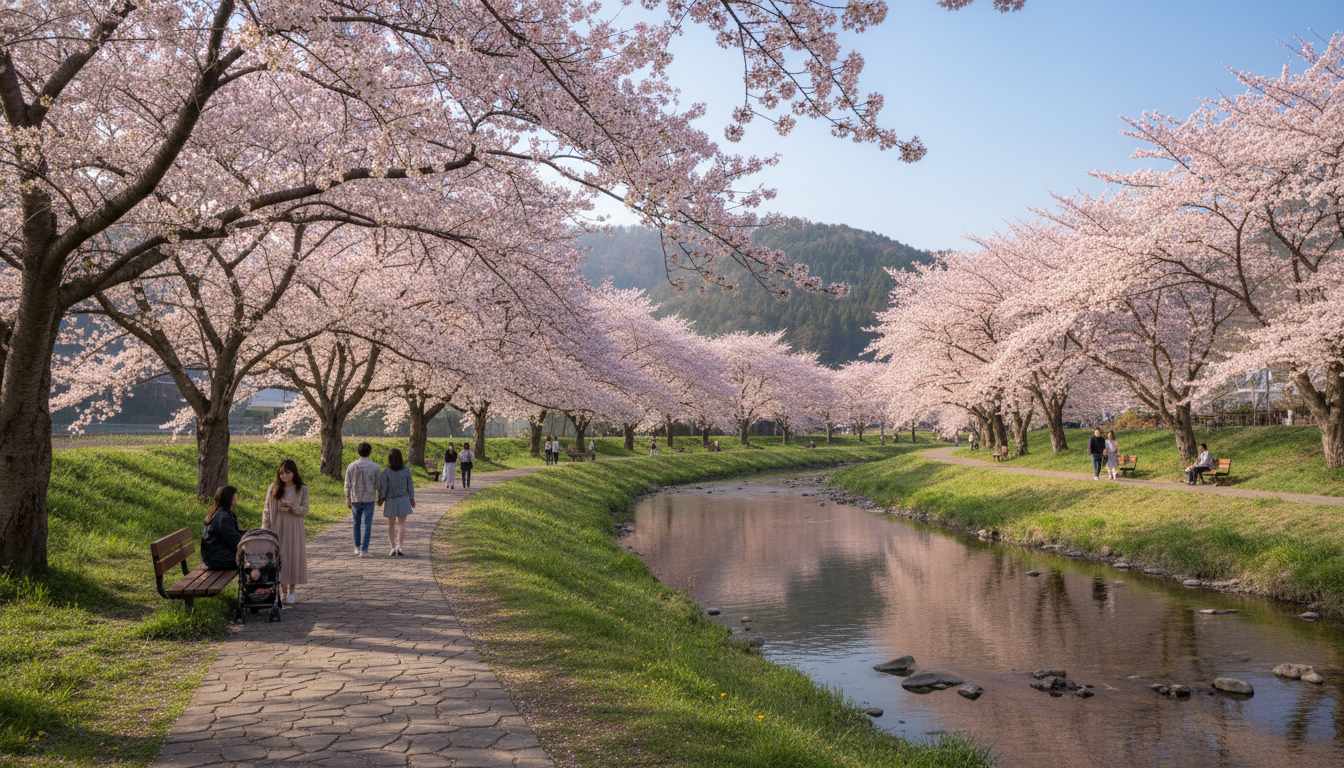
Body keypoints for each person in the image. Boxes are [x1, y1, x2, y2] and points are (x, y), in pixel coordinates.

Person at [263, 459, 308, 605]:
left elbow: (305, 509)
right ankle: (282, 592)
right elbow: (267, 509)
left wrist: (293, 508)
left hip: (294, 526)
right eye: (281, 473)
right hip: (278, 525)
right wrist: (265, 526)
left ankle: (291, 591)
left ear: (293, 472)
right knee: (280, 557)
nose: (284, 476)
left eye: (287, 472)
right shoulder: (274, 487)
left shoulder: (302, 489)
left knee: (293, 557)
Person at [344, 442, 380, 557]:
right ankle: (364, 550)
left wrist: (347, 497)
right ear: (370, 452)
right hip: (369, 498)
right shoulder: (375, 467)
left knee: (357, 523)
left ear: (358, 452)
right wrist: (381, 497)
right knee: (367, 524)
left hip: (355, 498)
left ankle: (357, 546)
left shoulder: (351, 466)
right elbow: (379, 484)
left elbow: (347, 483)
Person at [379, 448, 416, 556]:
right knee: (401, 524)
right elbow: (410, 485)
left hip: (391, 500)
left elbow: (384, 488)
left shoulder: (386, 472)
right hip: (403, 499)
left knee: (391, 525)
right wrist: (412, 498)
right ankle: (400, 546)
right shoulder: (406, 469)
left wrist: (381, 498)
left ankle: (393, 547)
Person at [201, 485, 244, 570]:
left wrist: (251, 534)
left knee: (250, 558)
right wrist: (250, 544)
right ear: (229, 498)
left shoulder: (220, 513)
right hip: (217, 558)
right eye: (235, 495)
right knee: (250, 560)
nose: (236, 497)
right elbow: (233, 540)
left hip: (214, 555)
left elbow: (234, 534)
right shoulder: (223, 517)